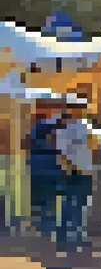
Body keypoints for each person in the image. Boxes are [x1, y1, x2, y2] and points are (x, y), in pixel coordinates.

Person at [53, 94, 101, 252]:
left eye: (80, 108)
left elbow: (96, 146)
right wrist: (69, 167)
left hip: (85, 169)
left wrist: (94, 165)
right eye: (75, 107)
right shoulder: (66, 130)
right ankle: (66, 235)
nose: (78, 111)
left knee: (80, 203)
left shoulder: (88, 127)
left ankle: (76, 234)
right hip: (74, 170)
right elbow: (62, 153)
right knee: (71, 203)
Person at [26, 97, 69, 241]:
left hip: (38, 169)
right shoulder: (54, 128)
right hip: (52, 169)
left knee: (44, 201)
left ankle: (45, 228)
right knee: (53, 199)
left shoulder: (37, 129)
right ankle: (52, 229)